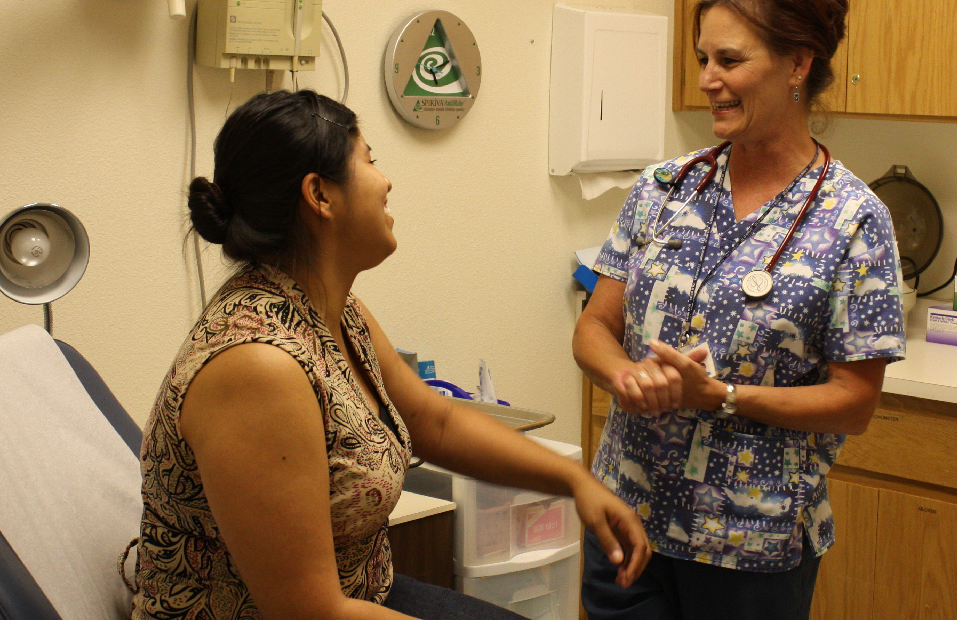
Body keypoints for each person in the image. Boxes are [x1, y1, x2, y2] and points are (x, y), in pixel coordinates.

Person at [125, 89, 651, 620]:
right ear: (320, 196)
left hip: (362, 597)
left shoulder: (332, 308)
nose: (386, 180)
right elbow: (308, 612)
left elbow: (435, 421)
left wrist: (575, 482)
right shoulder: (256, 367)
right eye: (369, 160)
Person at [572, 0, 906, 619]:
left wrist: (722, 397)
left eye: (729, 59)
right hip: (627, 520)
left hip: (751, 547)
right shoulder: (662, 189)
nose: (708, 81)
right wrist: (626, 374)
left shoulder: (855, 219)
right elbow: (594, 325)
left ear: (797, 64)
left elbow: (854, 403)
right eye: (703, 59)